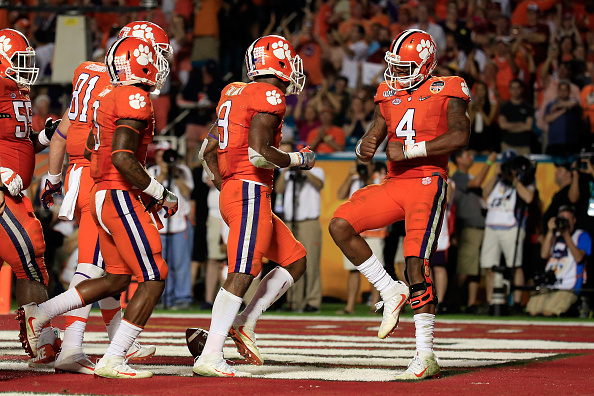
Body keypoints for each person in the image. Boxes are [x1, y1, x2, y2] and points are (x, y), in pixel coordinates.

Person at [17, 35, 178, 379]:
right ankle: (87, 348)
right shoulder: (133, 95)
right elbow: (118, 154)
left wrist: (57, 176)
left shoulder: (101, 87)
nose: (160, 62)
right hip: (110, 186)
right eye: (155, 54)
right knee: (138, 271)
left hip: (94, 178)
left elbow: (80, 137)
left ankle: (74, 329)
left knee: (116, 276)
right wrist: (155, 191)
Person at [329, 29, 471, 380]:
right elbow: (378, 130)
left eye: (405, 67)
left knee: (415, 262)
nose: (396, 74)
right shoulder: (388, 92)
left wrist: (412, 151)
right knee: (340, 224)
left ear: (425, 65)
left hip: (427, 181)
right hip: (394, 183)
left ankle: (426, 353)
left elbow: (460, 135)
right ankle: (389, 289)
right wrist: (367, 142)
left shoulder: (449, 86)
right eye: (394, 66)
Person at [194, 34, 314, 378]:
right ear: (279, 63)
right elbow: (259, 152)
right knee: (243, 271)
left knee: (295, 259)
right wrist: (298, 158)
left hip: (240, 189)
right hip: (249, 190)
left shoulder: (233, 91)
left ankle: (244, 323)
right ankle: (211, 354)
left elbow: (206, 151)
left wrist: (224, 181)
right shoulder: (269, 94)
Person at [0, 28, 61, 368]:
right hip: (3, 190)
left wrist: (43, 136)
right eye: (18, 60)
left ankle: (40, 337)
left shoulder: (15, 91)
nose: (26, 68)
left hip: (14, 188)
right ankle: (41, 339)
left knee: (31, 261)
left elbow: (18, 141)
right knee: (32, 258)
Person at [480, 150, 535, 312]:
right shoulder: (498, 180)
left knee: (515, 266)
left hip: (512, 228)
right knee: (490, 266)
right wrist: (496, 175)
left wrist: (515, 179)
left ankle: (516, 303)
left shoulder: (526, 179)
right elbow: (485, 193)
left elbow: (529, 198)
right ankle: (492, 301)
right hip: (491, 227)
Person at [275, 152, 325, 313]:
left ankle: (313, 301)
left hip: (309, 222)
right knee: (292, 263)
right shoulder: (288, 173)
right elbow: (278, 189)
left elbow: (318, 184)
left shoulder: (317, 171)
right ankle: (294, 301)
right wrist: (287, 169)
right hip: (290, 222)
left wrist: (304, 170)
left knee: (311, 264)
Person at [336, 160, 386, 314]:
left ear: (373, 165)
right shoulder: (354, 180)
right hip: (354, 232)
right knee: (353, 270)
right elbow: (340, 195)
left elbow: (379, 195)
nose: (362, 168)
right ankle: (350, 306)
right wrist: (349, 176)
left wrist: (368, 178)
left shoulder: (380, 179)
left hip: (374, 232)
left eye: (366, 165)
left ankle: (375, 305)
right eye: (360, 165)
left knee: (376, 270)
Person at [451, 149, 498, 313]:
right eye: (467, 155)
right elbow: (478, 183)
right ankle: (453, 300)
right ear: (458, 159)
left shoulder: (469, 177)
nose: (471, 157)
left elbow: (483, 191)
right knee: (465, 268)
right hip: (467, 228)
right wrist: (489, 163)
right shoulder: (458, 177)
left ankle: (471, 303)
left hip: (478, 227)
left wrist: (495, 176)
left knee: (474, 269)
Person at [148, 146, 194, 310]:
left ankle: (182, 297)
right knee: (160, 263)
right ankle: (163, 297)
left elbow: (188, 191)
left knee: (180, 263)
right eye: (161, 156)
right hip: (158, 224)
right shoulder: (152, 171)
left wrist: (174, 175)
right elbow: (150, 191)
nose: (165, 160)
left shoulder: (182, 171)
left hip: (180, 223)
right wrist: (162, 173)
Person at [526, 205, 591, 316]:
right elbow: (544, 255)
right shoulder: (555, 236)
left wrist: (566, 235)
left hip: (568, 287)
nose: (563, 222)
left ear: (574, 220)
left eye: (567, 219)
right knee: (533, 311)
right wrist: (550, 232)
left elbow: (579, 257)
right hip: (550, 285)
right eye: (561, 219)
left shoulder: (582, 235)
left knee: (549, 312)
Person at [498, 79, 534, 155]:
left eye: (517, 88)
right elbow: (503, 125)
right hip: (507, 145)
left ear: (521, 90)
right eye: (513, 88)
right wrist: (520, 124)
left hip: (524, 146)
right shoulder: (504, 107)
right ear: (509, 90)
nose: (515, 91)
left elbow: (528, 127)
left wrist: (510, 126)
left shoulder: (528, 107)